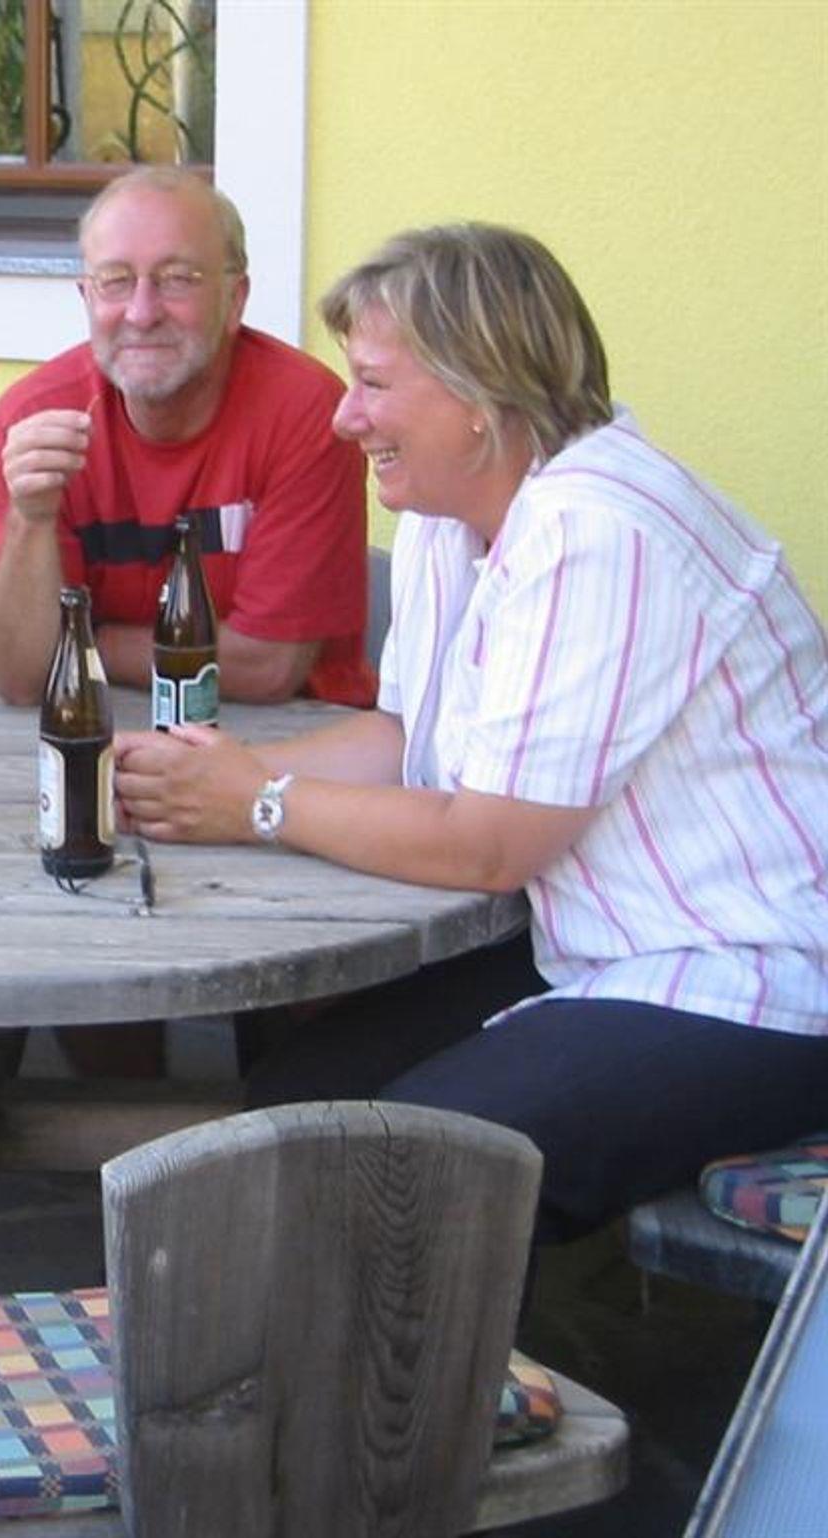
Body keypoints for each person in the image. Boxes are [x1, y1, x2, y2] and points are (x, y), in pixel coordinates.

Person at [113, 222, 828, 1243]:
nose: (344, 418)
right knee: (291, 1103)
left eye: (371, 384)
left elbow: (488, 846)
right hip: (593, 950)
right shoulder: (446, 517)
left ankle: (442, 1352)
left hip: (749, 981)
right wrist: (199, 776)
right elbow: (405, 739)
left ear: (480, 397)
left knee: (409, 1169)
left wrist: (257, 802)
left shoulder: (599, 531)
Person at [0, 166, 375, 710]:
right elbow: (19, 675)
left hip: (292, 736)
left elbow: (269, 667)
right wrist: (31, 518)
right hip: (96, 728)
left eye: (177, 278)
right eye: (115, 281)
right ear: (87, 297)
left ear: (235, 299)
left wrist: (80, 645)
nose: (141, 313)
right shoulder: (34, 420)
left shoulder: (307, 414)